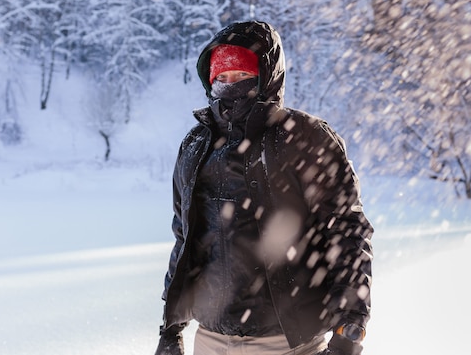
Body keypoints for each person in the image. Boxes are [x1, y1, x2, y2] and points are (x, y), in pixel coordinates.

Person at [154, 21, 373, 355]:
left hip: (287, 341)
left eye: (241, 75)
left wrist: (349, 333)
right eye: (221, 77)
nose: (230, 86)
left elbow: (346, 234)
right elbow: (186, 239)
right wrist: (170, 329)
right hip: (211, 341)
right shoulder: (196, 144)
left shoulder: (305, 138)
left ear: (267, 75)